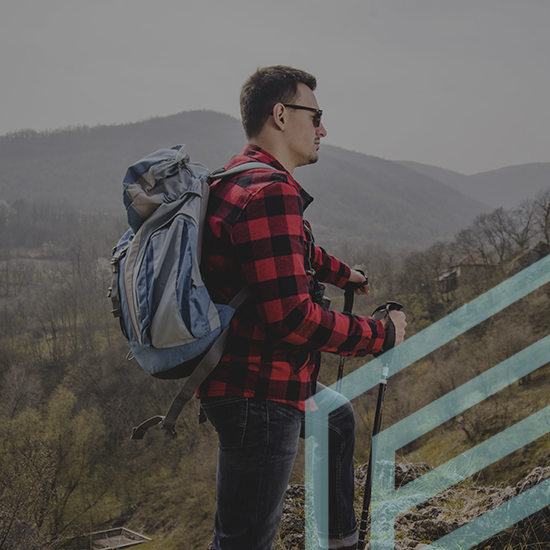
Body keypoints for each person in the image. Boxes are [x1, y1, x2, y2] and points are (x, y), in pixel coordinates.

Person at [198, 65, 406, 550]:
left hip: (247, 377)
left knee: (335, 418)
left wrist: (341, 273)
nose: (323, 129)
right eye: (315, 116)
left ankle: (338, 539)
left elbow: (290, 250)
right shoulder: (271, 192)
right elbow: (293, 319)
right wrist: (382, 335)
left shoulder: (238, 176)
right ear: (280, 115)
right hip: (260, 395)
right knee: (243, 542)